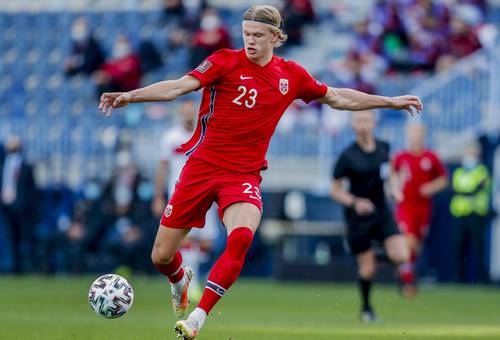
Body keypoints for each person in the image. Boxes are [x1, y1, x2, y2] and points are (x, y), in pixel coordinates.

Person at [98, 5, 422, 339]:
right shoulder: (224, 61)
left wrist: (390, 101)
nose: (250, 42)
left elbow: (338, 98)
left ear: (276, 37)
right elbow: (178, 87)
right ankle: (180, 279)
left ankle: (197, 317)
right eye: (246, 35)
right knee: (161, 256)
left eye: (257, 36)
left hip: (243, 175)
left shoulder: (291, 75)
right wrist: (130, 96)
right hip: (201, 169)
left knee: (240, 238)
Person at [330, 110, 409, 322]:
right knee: (367, 269)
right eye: (359, 121)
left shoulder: (384, 147)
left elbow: (390, 173)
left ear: (374, 123)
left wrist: (394, 188)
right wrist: (355, 202)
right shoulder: (347, 156)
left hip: (381, 211)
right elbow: (335, 190)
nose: (363, 124)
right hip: (358, 217)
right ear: (353, 126)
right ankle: (366, 308)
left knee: (401, 255)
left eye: (367, 120)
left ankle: (377, 260)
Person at [153, 98, 219, 301]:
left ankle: (190, 276)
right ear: (181, 111)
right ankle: (191, 285)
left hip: (206, 191)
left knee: (206, 243)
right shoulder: (171, 137)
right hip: (180, 192)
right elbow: (163, 167)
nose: (189, 112)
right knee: (186, 239)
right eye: (186, 109)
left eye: (193, 109)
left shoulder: (206, 133)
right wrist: (158, 196)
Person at [391, 123, 447, 296]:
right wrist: (395, 189)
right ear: (408, 135)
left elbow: (443, 179)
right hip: (405, 206)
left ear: (424, 135)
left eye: (419, 133)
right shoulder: (400, 156)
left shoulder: (431, 157)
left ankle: (404, 271)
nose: (416, 136)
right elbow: (392, 175)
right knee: (408, 240)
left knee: (417, 245)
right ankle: (408, 283)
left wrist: (431, 187)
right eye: (413, 132)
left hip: (423, 208)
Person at [450, 142, 491, 282]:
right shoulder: (459, 171)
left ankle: (481, 276)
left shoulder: (482, 171)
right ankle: (459, 277)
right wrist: (468, 192)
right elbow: (456, 189)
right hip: (460, 214)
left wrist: (466, 193)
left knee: (478, 246)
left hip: (476, 213)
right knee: (459, 246)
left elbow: (479, 189)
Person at [0, 135, 38, 273]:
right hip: (6, 208)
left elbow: (32, 189)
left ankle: (34, 267)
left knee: (28, 238)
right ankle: (15, 268)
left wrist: (27, 206)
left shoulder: (26, 166)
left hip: (22, 208)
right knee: (11, 239)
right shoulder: (3, 165)